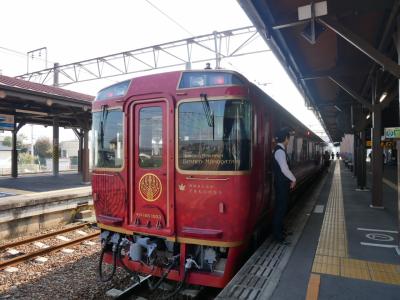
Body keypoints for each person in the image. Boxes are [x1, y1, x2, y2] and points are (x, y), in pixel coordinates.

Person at [272, 128, 296, 245]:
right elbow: (284, 169)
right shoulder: (280, 151)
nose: (289, 140)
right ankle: (278, 236)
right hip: (281, 184)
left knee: (282, 208)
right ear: (286, 138)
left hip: (281, 184)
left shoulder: (279, 150)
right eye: (288, 138)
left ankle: (281, 231)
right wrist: (293, 179)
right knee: (280, 209)